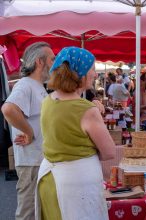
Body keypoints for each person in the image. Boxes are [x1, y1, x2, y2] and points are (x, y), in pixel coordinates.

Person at [36, 47, 116, 219]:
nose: (94, 74)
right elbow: (109, 152)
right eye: (92, 69)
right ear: (80, 73)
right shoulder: (87, 110)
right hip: (76, 186)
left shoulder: (47, 101)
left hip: (49, 180)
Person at [1, 42, 55, 220]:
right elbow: (8, 109)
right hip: (31, 161)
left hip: (38, 160)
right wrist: (29, 132)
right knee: (28, 212)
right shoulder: (25, 84)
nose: (54, 63)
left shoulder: (37, 86)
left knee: (36, 210)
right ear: (40, 62)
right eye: (51, 59)